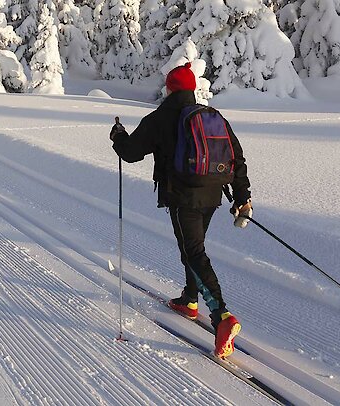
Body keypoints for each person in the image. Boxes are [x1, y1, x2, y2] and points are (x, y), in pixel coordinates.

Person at [110, 62, 252, 358]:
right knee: (193, 247)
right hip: (213, 195)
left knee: (193, 253)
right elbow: (237, 158)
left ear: (170, 88)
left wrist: (118, 136)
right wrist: (242, 197)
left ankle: (222, 317)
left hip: (182, 196)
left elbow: (131, 152)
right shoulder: (212, 117)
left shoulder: (161, 118)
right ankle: (189, 299)